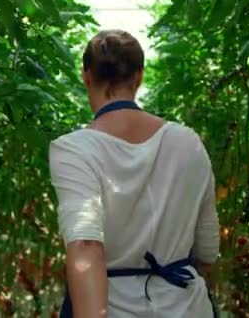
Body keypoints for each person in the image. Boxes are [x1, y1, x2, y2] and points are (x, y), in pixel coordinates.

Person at [48, 29, 220, 318]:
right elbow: (207, 244)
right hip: (187, 307)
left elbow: (85, 244)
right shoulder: (187, 141)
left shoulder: (74, 150)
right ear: (139, 77)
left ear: (86, 77)